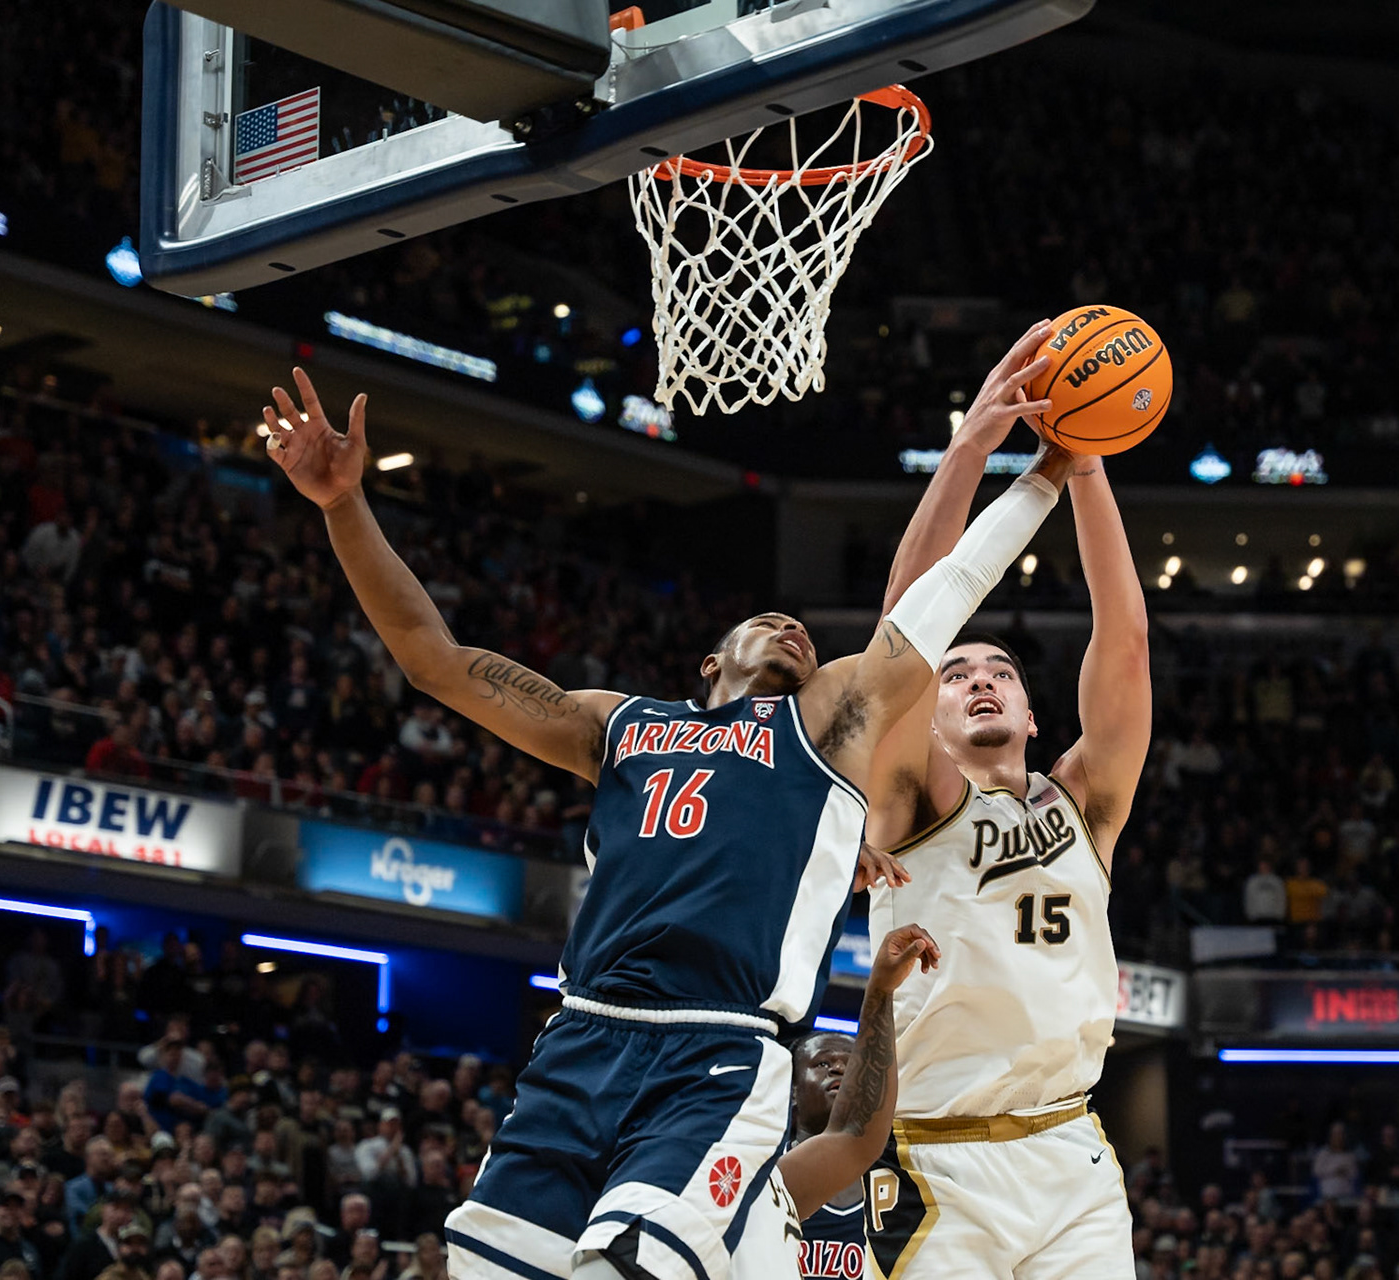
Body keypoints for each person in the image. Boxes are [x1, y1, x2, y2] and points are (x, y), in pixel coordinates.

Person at [257, 349, 1072, 1280]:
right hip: (579, 1033)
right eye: (769, 622)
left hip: (718, 1050)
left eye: (806, 636)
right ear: (707, 660)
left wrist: (1043, 476)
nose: (795, 630)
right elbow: (433, 658)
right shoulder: (617, 725)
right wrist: (343, 506)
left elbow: (944, 596)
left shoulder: (824, 721)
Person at [856, 324, 1150, 1278]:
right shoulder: (911, 803)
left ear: (1031, 711)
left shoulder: (1086, 806)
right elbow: (908, 613)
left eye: (1001, 672)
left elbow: (1127, 642)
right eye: (955, 674)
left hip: (1072, 1152)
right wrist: (972, 451)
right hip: (940, 1156)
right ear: (927, 713)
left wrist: (1088, 467)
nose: (977, 679)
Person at [769, 927, 937, 1280]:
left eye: (851, 1064)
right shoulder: (768, 1172)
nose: (840, 1069)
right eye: (823, 1064)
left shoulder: (903, 1176)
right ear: (793, 1089)